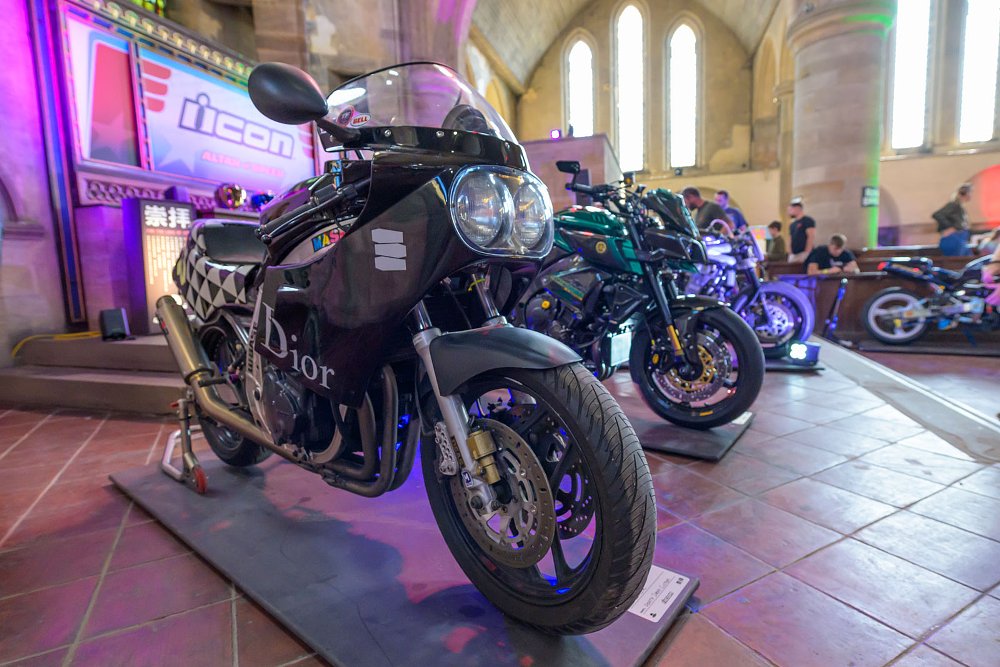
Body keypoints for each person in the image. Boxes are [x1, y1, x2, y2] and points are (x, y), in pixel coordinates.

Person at [932, 183, 973, 257]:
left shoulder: (959, 206)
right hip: (954, 239)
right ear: (965, 193)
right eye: (970, 192)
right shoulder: (954, 205)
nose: (971, 195)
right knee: (958, 261)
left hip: (960, 238)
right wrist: (950, 227)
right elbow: (937, 215)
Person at [787, 197, 816, 263]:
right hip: (793, 255)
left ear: (797, 208)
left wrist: (807, 252)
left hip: (803, 253)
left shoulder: (808, 221)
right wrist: (790, 253)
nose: (789, 212)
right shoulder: (792, 224)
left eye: (790, 209)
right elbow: (790, 239)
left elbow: (811, 237)